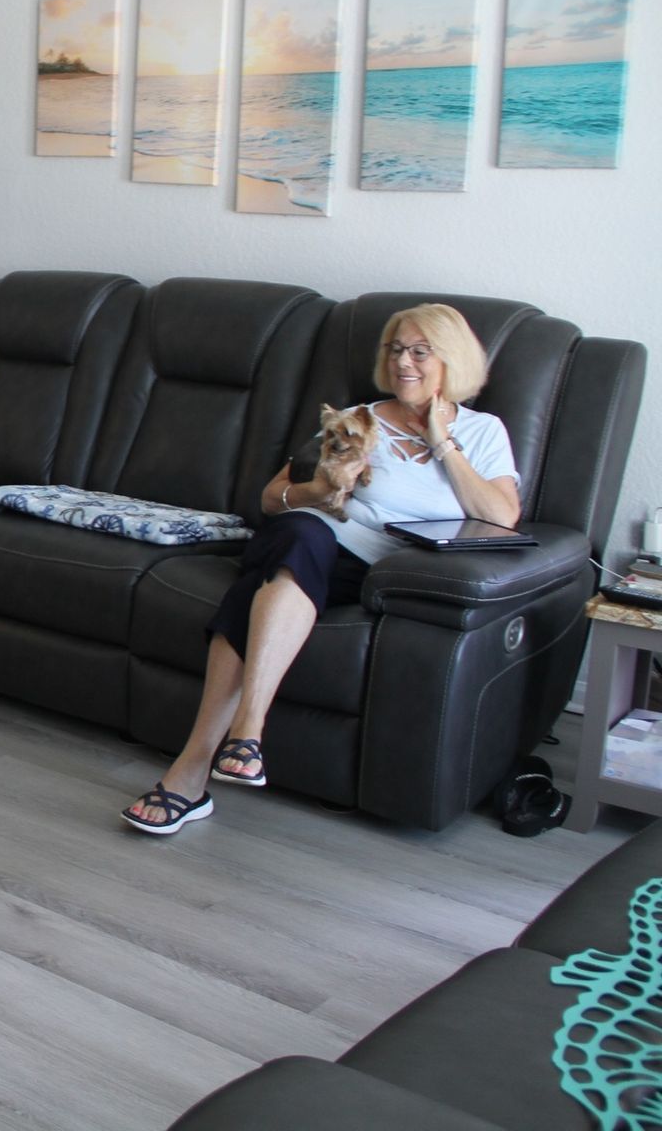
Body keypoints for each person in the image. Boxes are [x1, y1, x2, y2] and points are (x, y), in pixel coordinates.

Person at [122, 303, 521, 835]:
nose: (404, 361)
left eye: (420, 351)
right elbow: (271, 498)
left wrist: (440, 441)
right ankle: (246, 734)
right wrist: (324, 489)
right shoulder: (356, 419)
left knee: (254, 595)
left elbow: (501, 515)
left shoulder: (483, 431)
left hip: (389, 572)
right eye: (396, 349)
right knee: (302, 533)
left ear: (451, 359)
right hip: (319, 539)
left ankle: (191, 776)